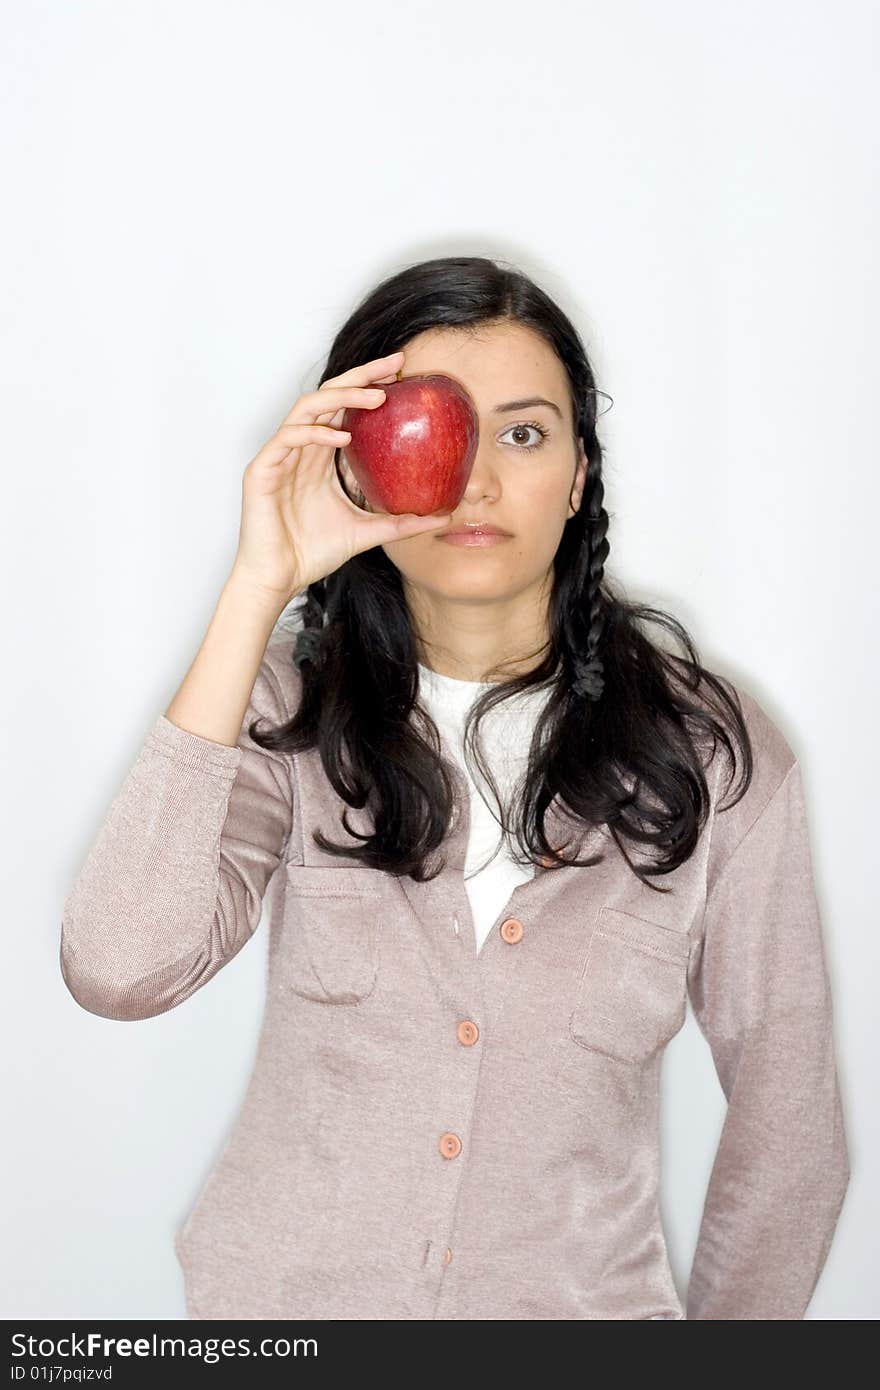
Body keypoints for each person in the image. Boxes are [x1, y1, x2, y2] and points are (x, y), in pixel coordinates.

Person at [60, 255, 850, 1320]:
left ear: (578, 474)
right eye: (436, 430)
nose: (475, 478)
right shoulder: (283, 712)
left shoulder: (709, 750)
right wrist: (259, 584)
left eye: (523, 433)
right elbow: (119, 967)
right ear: (356, 459)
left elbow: (788, 1125)